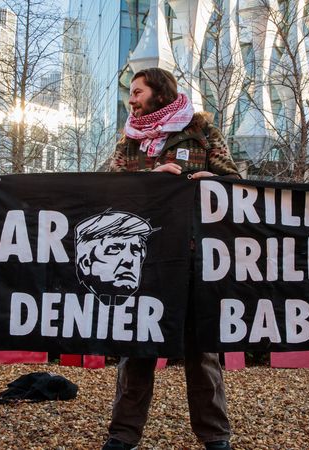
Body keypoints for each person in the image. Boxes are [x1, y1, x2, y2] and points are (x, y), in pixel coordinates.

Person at [101, 68, 239, 450]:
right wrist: (152, 176)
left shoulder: (201, 129)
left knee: (202, 353)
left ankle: (216, 439)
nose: (131, 99)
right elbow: (103, 186)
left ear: (159, 94)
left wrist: (211, 179)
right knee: (138, 351)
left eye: (137, 91)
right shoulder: (129, 139)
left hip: (195, 259)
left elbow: (235, 179)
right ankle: (122, 438)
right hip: (145, 263)